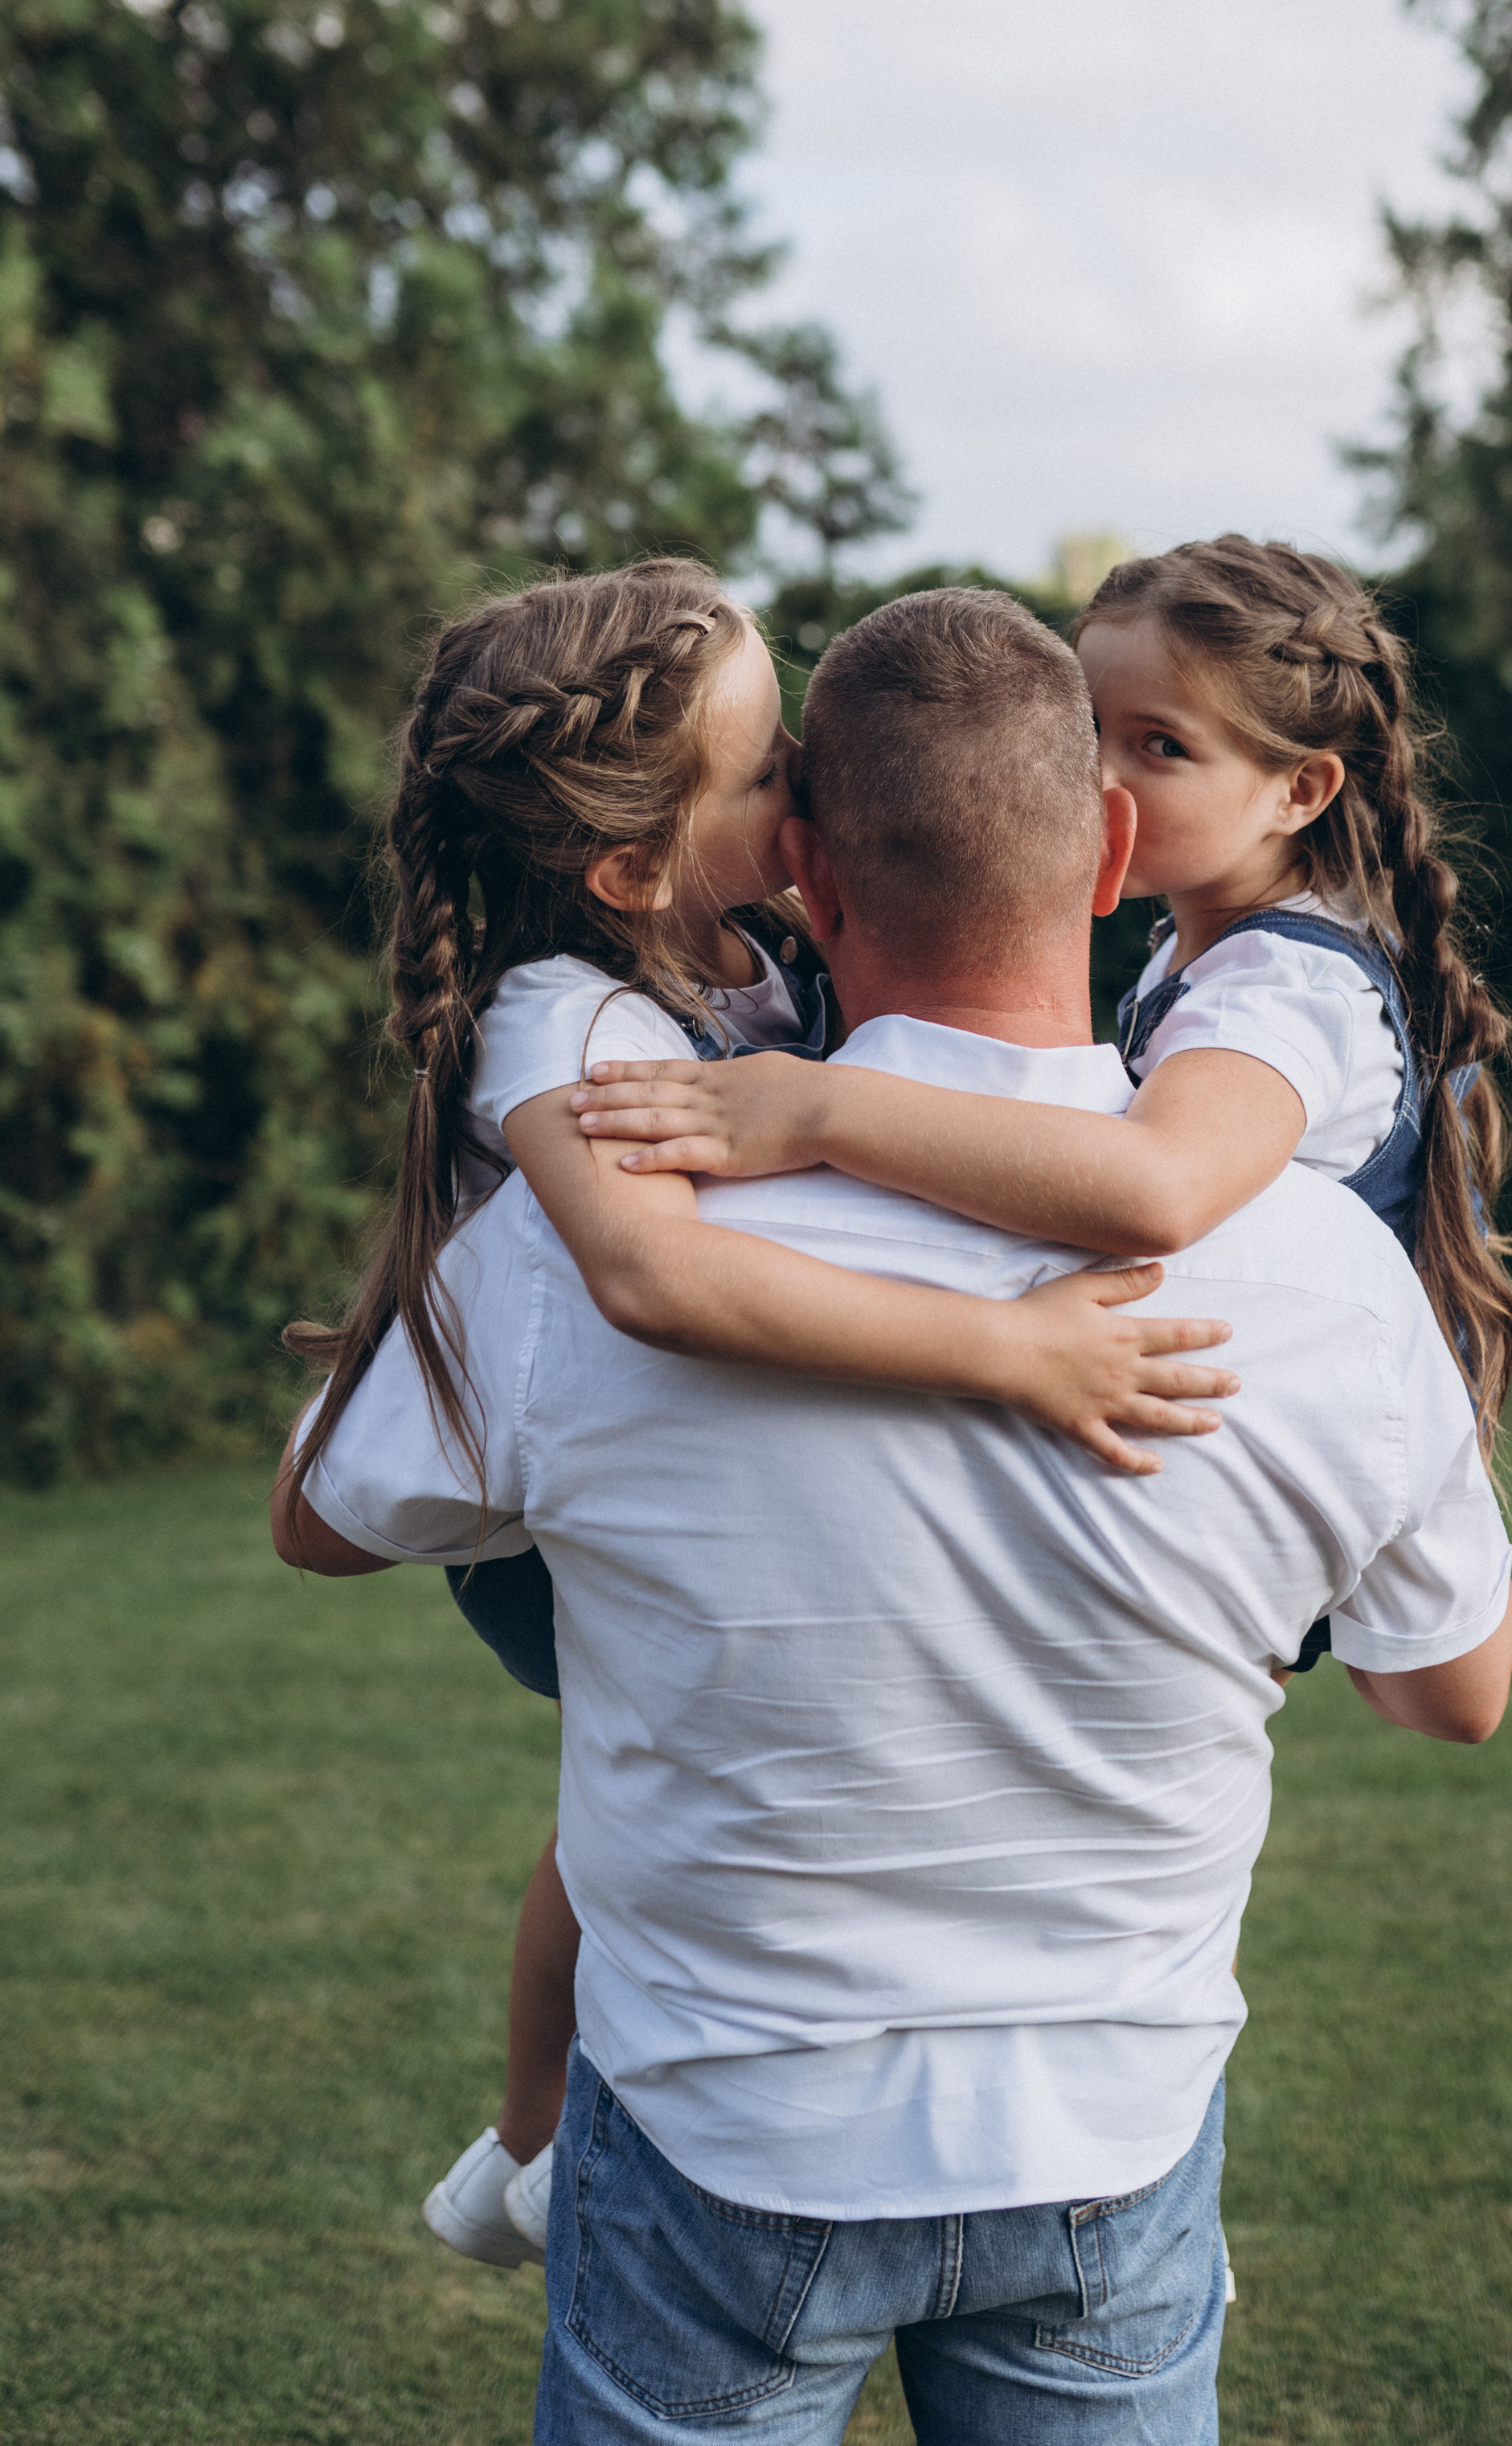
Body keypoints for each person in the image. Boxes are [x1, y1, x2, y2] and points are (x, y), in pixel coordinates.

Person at [277, 585, 1512, 2446]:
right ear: (1107, 847)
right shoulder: (1321, 1272)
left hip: (723, 2124)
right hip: (1111, 2128)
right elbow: (1450, 1692)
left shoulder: (589, 1197)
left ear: (800, 857)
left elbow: (324, 1515)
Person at [277, 560, 1236, 2270]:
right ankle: (529, 2150)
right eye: (765, 765)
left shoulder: (737, 965)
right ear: (630, 863)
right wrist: (1007, 1352)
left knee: (672, 1808)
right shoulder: (560, 1020)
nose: (804, 779)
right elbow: (659, 1286)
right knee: (625, 1827)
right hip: (522, 1556)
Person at [571, 535, 1512, 1564]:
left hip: (1303, 1446)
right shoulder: (1208, 950)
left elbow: (1156, 1189)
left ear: (1301, 791)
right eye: (1089, 727)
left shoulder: (1288, 994)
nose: (1093, 771)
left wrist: (814, 1111)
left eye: (1160, 745)